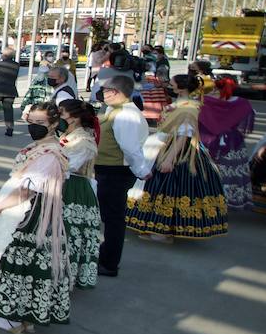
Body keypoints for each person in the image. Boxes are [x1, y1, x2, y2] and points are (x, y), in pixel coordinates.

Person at [0, 103, 70, 334]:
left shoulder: (50, 154)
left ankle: (13, 317)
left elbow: (28, 190)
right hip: (18, 204)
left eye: (40, 123)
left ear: (53, 124)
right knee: (12, 257)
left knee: (17, 259)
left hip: (28, 211)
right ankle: (13, 314)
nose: (34, 127)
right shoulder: (41, 147)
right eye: (31, 122)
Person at [127, 75, 229, 241]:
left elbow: (184, 136)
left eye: (172, 83)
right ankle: (158, 228)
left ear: (181, 88)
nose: (169, 85)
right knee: (162, 189)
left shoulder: (188, 108)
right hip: (165, 144)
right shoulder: (185, 104)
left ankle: (163, 232)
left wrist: (169, 158)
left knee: (168, 189)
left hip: (177, 150)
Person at [92, 76, 153, 277]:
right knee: (110, 217)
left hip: (115, 172)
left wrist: (141, 171)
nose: (103, 94)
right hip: (109, 170)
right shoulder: (116, 111)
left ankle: (109, 263)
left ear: (117, 92)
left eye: (106, 90)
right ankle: (106, 256)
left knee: (113, 219)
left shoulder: (127, 115)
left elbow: (130, 148)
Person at [58, 100, 103, 290]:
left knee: (69, 234)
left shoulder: (84, 141)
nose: (58, 116)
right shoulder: (66, 134)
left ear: (74, 118)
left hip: (74, 190)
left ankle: (66, 277)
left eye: (61, 113)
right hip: (62, 186)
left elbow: (70, 167)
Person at [199, 77, 256, 211]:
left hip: (208, 142)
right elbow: (246, 124)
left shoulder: (206, 103)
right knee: (229, 174)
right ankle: (226, 201)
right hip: (233, 144)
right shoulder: (242, 104)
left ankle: (203, 200)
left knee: (207, 172)